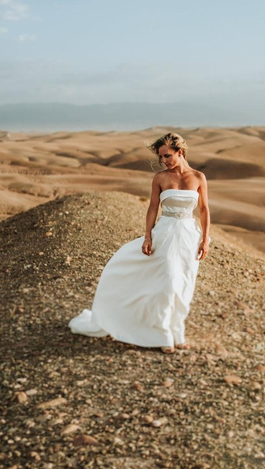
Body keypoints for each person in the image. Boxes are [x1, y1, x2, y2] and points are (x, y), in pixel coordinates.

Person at [69, 133, 210, 353]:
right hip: (165, 235)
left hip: (189, 237)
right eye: (161, 157)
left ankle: (178, 334)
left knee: (184, 285)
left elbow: (204, 210)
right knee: (168, 284)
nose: (163, 161)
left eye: (167, 156)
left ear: (179, 152)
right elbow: (152, 207)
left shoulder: (199, 177)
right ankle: (162, 335)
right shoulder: (161, 178)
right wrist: (147, 236)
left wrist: (205, 240)